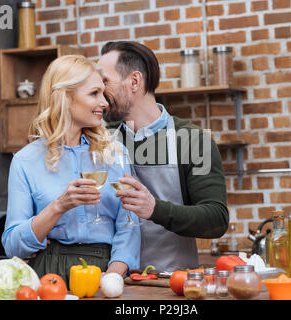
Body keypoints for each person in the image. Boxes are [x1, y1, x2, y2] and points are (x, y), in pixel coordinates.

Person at [2, 55, 140, 286]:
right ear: (65, 97)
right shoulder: (25, 161)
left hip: (105, 269)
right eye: (94, 93)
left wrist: (114, 274)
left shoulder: (115, 153)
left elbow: (129, 226)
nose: (105, 103)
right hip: (48, 273)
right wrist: (59, 206)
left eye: (103, 93)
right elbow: (13, 245)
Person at [98, 41, 229, 272]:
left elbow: (215, 219)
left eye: (105, 81)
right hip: (112, 282)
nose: (100, 92)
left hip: (170, 284)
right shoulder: (102, 143)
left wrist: (154, 209)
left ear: (135, 81)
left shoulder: (193, 140)